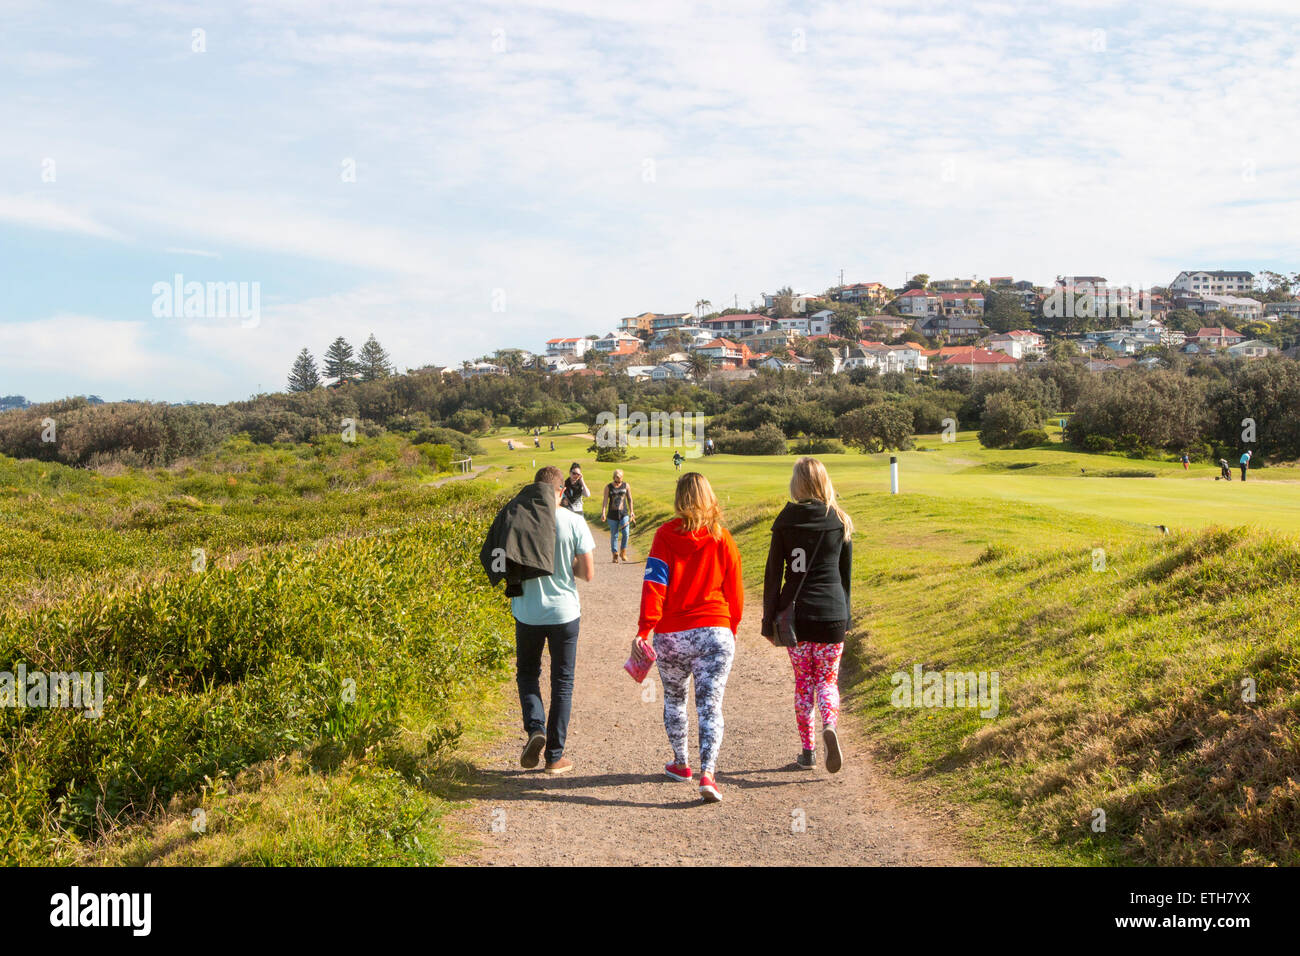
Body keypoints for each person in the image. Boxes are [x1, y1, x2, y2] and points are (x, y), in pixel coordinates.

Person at [631, 472, 742, 803]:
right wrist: (730, 627)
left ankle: (681, 763)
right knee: (711, 705)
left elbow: (655, 584)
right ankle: (708, 773)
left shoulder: (664, 536)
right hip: (715, 631)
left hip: (673, 634)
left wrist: (644, 628)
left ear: (679, 498)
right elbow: (734, 591)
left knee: (675, 699)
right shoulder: (723, 537)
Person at [499, 466, 595, 775]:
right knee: (562, 682)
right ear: (561, 491)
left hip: (527, 612)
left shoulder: (519, 520)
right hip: (565, 613)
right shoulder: (573, 521)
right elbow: (587, 573)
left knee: (527, 673)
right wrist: (565, 566)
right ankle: (555, 757)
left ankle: (535, 727)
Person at [761, 457, 853, 774]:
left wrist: (767, 622)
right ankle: (830, 723)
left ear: (797, 483)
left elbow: (773, 575)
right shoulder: (839, 520)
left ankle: (808, 752)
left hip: (795, 618)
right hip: (832, 614)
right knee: (827, 681)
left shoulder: (785, 520)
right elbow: (845, 578)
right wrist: (847, 617)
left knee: (804, 683)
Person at [600, 469, 636, 563]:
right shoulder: (608, 487)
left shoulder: (626, 485)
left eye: (620, 477)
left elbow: (630, 499)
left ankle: (623, 552)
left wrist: (632, 511)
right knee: (614, 535)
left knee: (626, 533)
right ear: (614, 477)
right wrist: (603, 512)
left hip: (623, 514)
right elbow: (605, 501)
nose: (618, 479)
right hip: (612, 515)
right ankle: (615, 554)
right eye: (617, 477)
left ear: (622, 477)